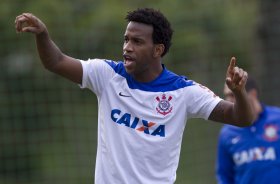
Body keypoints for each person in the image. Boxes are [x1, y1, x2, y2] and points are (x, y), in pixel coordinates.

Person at [15, 8, 255, 184]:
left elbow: (241, 118)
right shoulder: (107, 75)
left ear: (157, 50)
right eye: (126, 39)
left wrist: (239, 93)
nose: (127, 47)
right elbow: (56, 62)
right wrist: (43, 35)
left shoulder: (184, 92)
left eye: (137, 41)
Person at [216, 77, 280, 184]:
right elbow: (224, 176)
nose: (228, 101)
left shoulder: (279, 119)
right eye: (226, 96)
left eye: (233, 95)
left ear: (253, 94)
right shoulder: (227, 133)